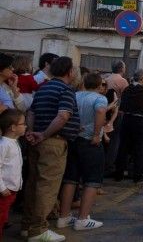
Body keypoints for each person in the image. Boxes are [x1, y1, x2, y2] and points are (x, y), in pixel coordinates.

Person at [23, 56, 80, 242]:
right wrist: (45, 134)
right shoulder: (66, 90)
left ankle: (27, 225)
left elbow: (31, 111)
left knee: (33, 184)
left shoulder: (43, 88)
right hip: (53, 142)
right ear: (69, 71)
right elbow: (63, 116)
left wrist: (32, 132)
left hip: (37, 142)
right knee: (47, 187)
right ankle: (38, 230)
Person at [58, 73, 107, 231]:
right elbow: (100, 112)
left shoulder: (75, 95)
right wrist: (96, 134)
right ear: (99, 86)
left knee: (70, 178)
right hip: (90, 142)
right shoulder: (100, 98)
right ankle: (82, 218)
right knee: (92, 180)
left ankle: (63, 216)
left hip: (73, 140)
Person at [114, 70, 143, 183]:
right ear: (142, 79)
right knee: (139, 148)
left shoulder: (127, 90)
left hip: (127, 119)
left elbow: (122, 106)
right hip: (139, 120)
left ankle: (119, 173)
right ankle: (137, 175)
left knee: (123, 147)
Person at [0, 109, 25, 240]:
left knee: (3, 216)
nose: (25, 126)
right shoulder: (4, 145)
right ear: (13, 127)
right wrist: (2, 187)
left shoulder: (14, 142)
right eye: (23, 124)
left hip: (11, 189)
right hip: (4, 189)